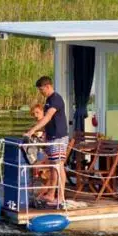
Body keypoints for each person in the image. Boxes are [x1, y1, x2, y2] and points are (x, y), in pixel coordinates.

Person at [25, 76, 68, 205]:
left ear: (48, 86)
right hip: (51, 137)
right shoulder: (49, 100)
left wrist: (32, 130)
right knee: (53, 166)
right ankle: (51, 195)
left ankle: (60, 198)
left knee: (59, 166)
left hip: (58, 138)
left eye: (41, 90)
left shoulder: (56, 99)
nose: (41, 93)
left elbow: (48, 117)